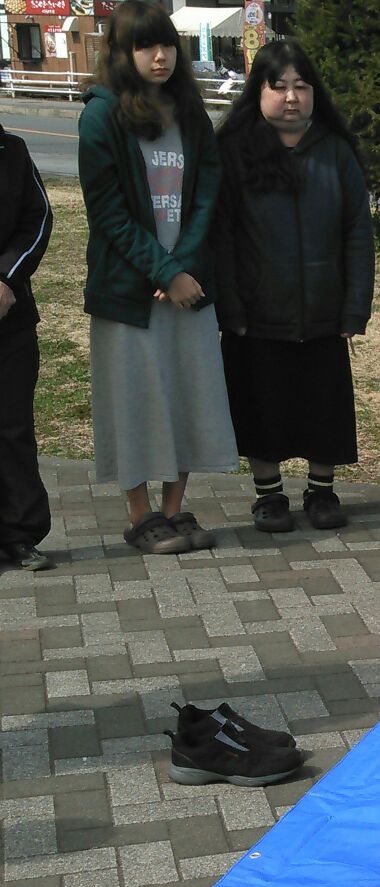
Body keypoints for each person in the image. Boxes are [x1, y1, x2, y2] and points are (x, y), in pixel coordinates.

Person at [78, 0, 238, 556]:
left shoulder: (189, 111)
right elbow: (109, 213)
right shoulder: (101, 115)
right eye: (145, 45)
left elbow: (207, 191)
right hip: (130, 290)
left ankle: (175, 509)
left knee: (188, 394)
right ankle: (140, 514)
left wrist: (184, 267)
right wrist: (163, 270)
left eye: (167, 43)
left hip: (188, 288)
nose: (160, 55)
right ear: (121, 53)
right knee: (136, 400)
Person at [214, 40, 373, 533]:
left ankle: (322, 491)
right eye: (278, 86)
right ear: (257, 92)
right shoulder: (235, 151)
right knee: (264, 402)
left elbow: (357, 233)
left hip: (324, 307)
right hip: (257, 309)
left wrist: (354, 307)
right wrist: (230, 305)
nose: (290, 97)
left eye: (300, 86)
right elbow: (220, 235)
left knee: (322, 402)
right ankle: (269, 495)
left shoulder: (335, 150)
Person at [0, 119, 55, 572]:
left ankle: (20, 534)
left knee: (13, 426)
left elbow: (37, 221)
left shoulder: (12, 150)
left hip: (9, 315)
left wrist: (6, 278)